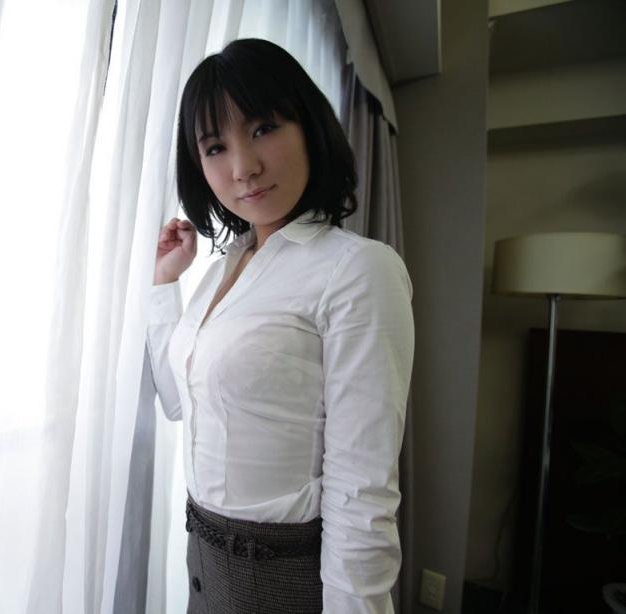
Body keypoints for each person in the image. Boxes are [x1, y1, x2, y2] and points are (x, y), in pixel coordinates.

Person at [146, 38, 414, 614]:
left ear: (308, 125)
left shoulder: (357, 268)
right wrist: (166, 283)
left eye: (264, 128)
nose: (243, 168)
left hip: (280, 579)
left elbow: (362, 487)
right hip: (202, 562)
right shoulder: (224, 269)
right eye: (216, 146)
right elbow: (177, 400)